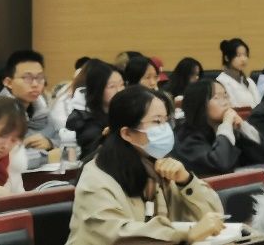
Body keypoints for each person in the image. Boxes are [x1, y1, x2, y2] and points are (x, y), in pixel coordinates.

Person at [66, 86, 225, 245]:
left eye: (166, 120)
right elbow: (117, 236)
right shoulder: (96, 178)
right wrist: (185, 235)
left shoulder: (160, 167)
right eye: (157, 121)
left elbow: (214, 219)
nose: (165, 129)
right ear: (127, 133)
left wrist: (186, 181)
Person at [172, 79, 264, 175]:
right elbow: (220, 165)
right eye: (216, 97)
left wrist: (243, 127)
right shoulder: (186, 138)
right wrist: (226, 125)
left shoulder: (230, 130)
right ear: (200, 104)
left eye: (225, 96)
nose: (226, 102)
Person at [0, 50, 59, 169]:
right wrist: (46, 156)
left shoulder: (42, 111)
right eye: (27, 78)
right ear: (8, 82)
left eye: (40, 78)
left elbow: (69, 145)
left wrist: (50, 143)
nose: (35, 84)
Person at [66, 60, 125, 158]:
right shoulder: (81, 119)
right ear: (98, 89)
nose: (120, 90)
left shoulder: (119, 108)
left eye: (122, 84)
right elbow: (92, 153)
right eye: (112, 86)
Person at [216, 38, 261, 109]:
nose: (243, 59)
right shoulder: (221, 82)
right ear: (227, 58)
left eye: (245, 55)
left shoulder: (249, 81)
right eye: (238, 55)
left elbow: (259, 105)